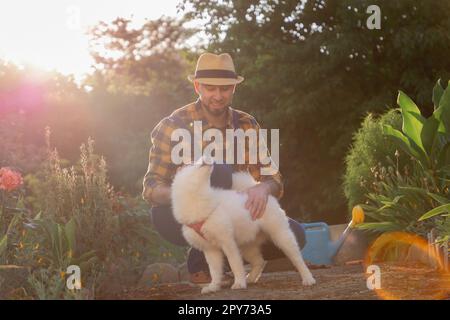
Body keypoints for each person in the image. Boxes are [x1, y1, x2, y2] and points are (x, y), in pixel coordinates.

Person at [142, 52, 306, 284]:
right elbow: (150, 186)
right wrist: (184, 192)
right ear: (197, 86)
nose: (218, 96)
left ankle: (224, 263)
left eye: (225, 89)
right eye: (210, 88)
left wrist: (263, 189)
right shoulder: (172, 125)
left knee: (297, 235)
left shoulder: (248, 124)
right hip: (182, 214)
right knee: (216, 170)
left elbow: (273, 178)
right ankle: (200, 263)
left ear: (234, 89)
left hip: (233, 216)